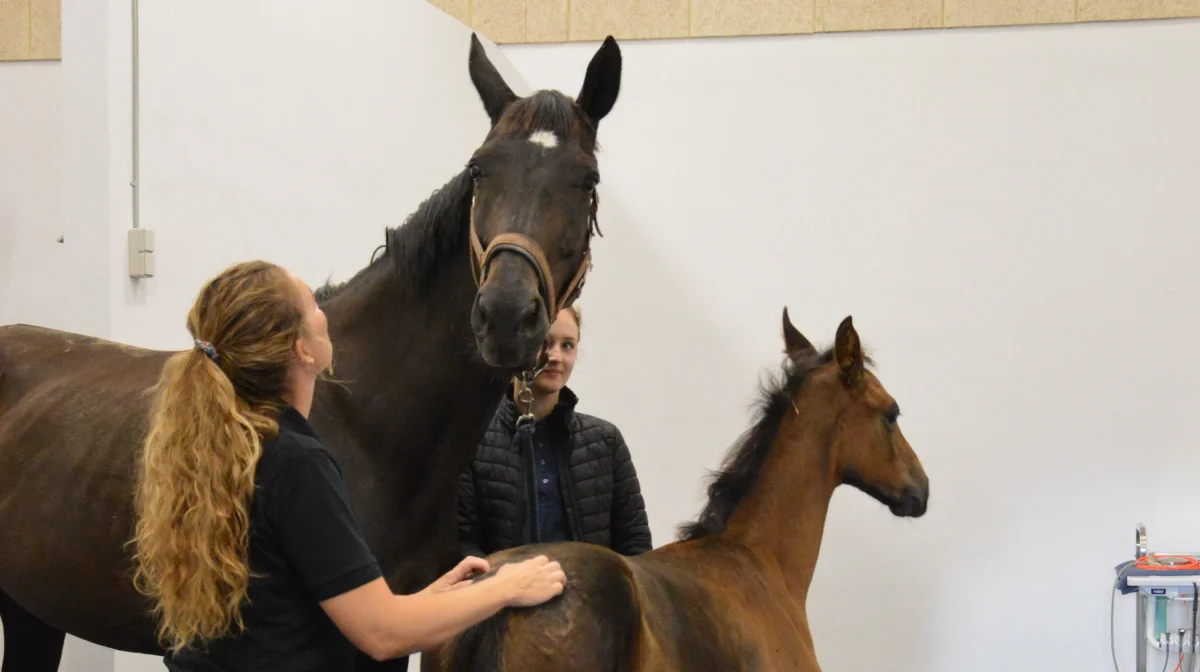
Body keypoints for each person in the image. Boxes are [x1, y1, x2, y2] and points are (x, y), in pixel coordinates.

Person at [131, 260, 566, 671]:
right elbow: (381, 634)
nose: (325, 314)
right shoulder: (295, 462)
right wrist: (508, 587)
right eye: (314, 307)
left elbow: (314, 611)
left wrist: (436, 597)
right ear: (302, 349)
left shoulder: (226, 447)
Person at [458, 305, 652, 559]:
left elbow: (636, 548)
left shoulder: (606, 441)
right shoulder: (474, 440)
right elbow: (462, 544)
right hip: (503, 596)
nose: (555, 356)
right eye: (543, 342)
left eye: (567, 345)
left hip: (593, 596)